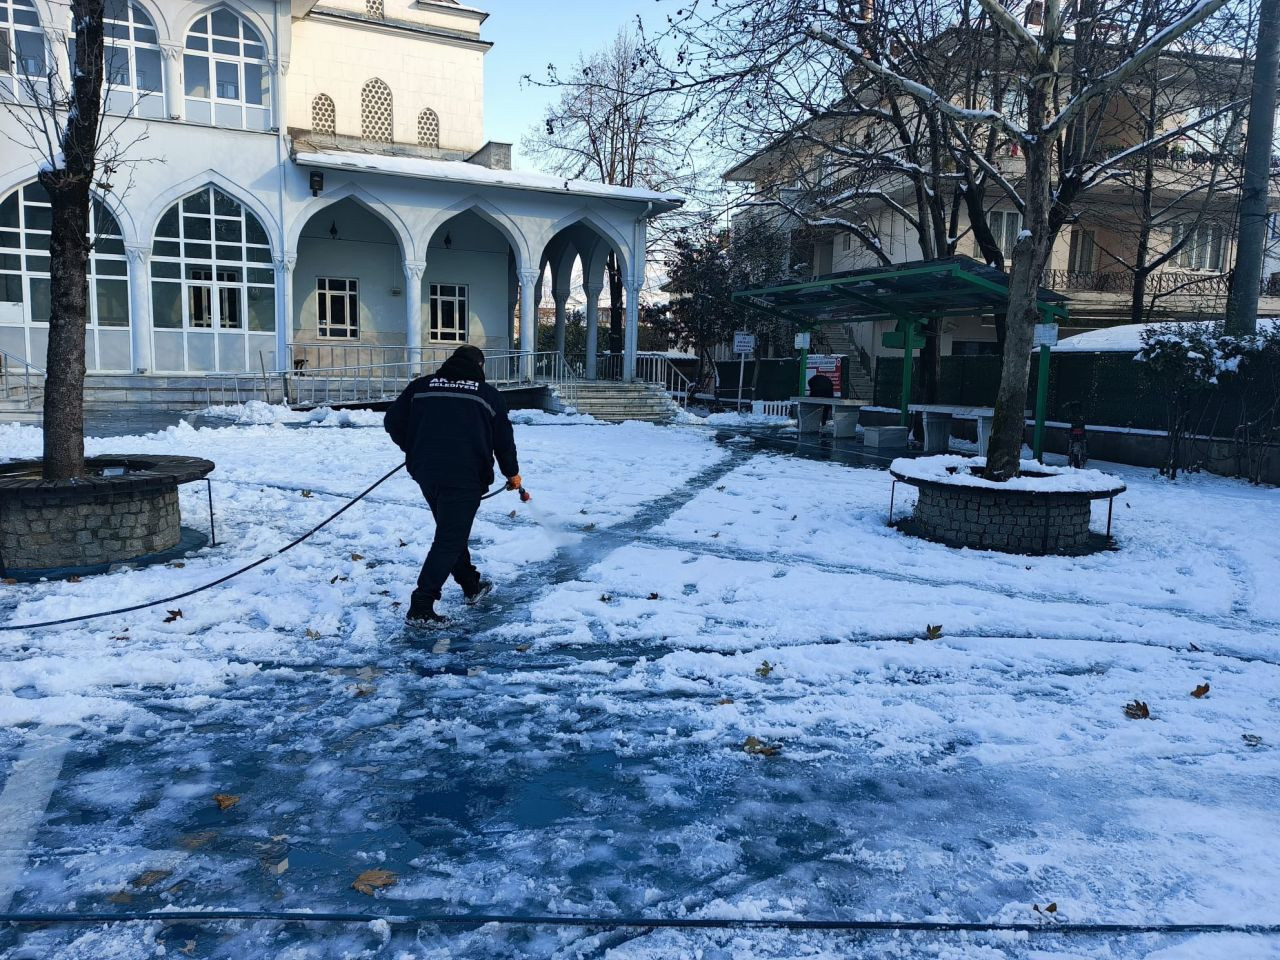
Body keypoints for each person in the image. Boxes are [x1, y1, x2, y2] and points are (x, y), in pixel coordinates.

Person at [384, 344, 521, 625]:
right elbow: (503, 441)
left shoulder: (421, 387)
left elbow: (392, 421)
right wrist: (512, 474)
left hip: (427, 472)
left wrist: (414, 447)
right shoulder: (487, 395)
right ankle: (422, 604)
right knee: (450, 537)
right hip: (464, 476)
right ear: (479, 366)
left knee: (451, 531)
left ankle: (470, 584)